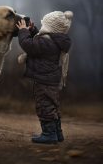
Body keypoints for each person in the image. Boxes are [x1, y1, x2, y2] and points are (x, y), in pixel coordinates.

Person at [16, 11, 73, 144]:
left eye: (44, 25)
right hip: (51, 79)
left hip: (43, 80)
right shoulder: (55, 40)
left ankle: (49, 134)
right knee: (53, 106)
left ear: (50, 28)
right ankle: (57, 133)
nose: (42, 27)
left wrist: (23, 31)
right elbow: (38, 41)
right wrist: (33, 30)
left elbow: (28, 45)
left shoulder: (46, 42)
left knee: (44, 106)